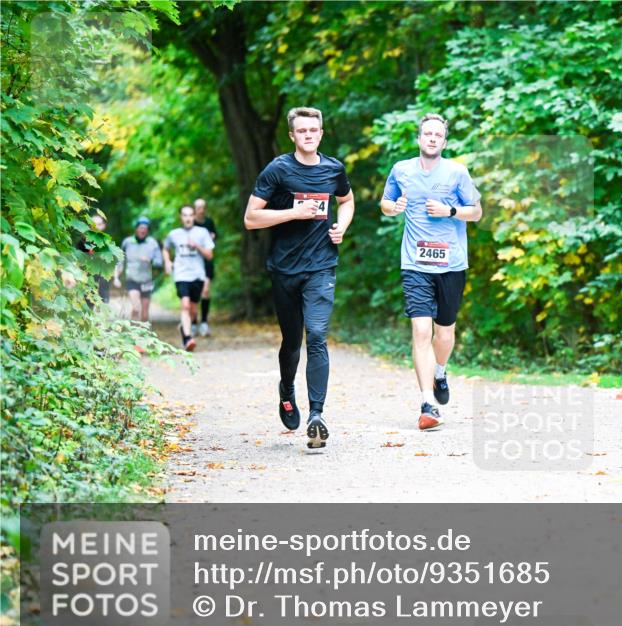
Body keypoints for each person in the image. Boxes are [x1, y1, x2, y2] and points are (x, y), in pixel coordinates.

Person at [243, 107, 355, 449]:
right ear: (292, 136)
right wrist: (294, 212)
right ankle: (286, 388)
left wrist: (342, 227)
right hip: (285, 269)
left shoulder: (334, 168)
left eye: (314, 130)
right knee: (292, 342)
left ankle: (316, 415)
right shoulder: (278, 170)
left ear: (321, 133)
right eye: (302, 131)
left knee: (317, 335)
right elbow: (251, 218)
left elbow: (347, 200)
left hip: (322, 266)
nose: (309, 135)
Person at [380, 113, 482, 431]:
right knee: (421, 332)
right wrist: (392, 207)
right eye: (428, 133)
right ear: (419, 138)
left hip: (451, 264)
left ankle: (440, 370)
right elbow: (385, 202)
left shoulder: (457, 172)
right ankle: (427, 403)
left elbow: (476, 212)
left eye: (438, 134)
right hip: (415, 264)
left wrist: (450, 210)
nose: (433, 138)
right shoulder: (402, 170)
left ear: (445, 141)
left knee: (444, 332)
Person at [163, 205, 214, 351]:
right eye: (185, 215)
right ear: (181, 217)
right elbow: (165, 248)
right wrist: (167, 261)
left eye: (190, 215)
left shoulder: (202, 232)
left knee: (193, 310)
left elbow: (210, 255)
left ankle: (184, 328)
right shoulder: (174, 234)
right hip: (181, 274)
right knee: (185, 305)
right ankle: (187, 338)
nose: (188, 218)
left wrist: (197, 245)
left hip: (197, 275)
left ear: (194, 216)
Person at [113, 216, 164, 322]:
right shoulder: (127, 242)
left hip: (147, 281)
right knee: (136, 308)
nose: (143, 230)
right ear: (136, 229)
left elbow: (159, 262)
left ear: (148, 230)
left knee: (145, 314)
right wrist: (116, 277)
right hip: (132, 279)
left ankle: (143, 335)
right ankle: (134, 335)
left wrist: (150, 261)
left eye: (145, 228)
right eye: (141, 227)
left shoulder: (152, 243)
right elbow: (120, 261)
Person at [193, 198, 217, 336]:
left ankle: (204, 323)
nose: (201, 210)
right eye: (198, 207)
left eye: (203, 207)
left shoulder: (209, 222)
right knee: (194, 294)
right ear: (194, 209)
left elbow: (213, 237)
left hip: (207, 261)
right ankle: (194, 322)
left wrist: (210, 238)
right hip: (193, 263)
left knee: (205, 292)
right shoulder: (191, 223)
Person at [77, 212, 112, 305]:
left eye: (99, 224)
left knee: (103, 303)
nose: (96, 227)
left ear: (104, 226)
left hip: (102, 279)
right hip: (87, 278)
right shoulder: (83, 241)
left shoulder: (107, 241)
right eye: (93, 224)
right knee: (88, 303)